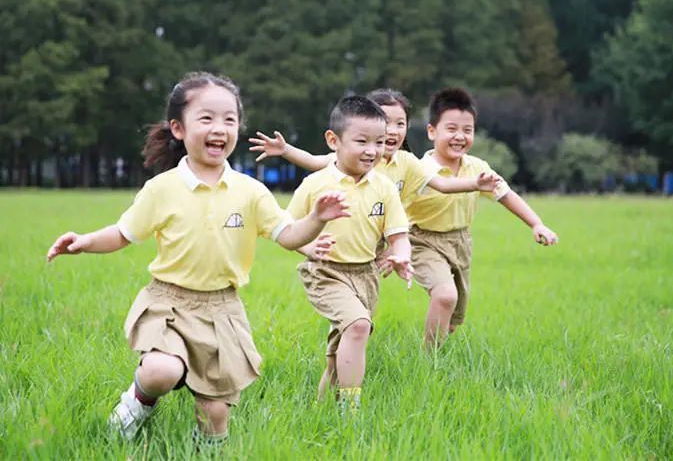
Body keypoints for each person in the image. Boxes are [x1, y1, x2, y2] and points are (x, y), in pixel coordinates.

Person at [46, 72, 350, 446]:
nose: (219, 128)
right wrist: (84, 241)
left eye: (229, 119)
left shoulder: (251, 191)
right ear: (178, 128)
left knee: (215, 416)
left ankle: (201, 451)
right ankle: (136, 404)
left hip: (222, 309)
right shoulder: (162, 189)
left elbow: (289, 236)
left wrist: (316, 219)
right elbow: (123, 233)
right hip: (169, 301)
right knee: (160, 370)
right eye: (206, 118)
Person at [286, 95, 412, 412]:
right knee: (357, 326)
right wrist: (308, 246)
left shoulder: (383, 187)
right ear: (334, 140)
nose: (372, 150)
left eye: (380, 142)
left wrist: (401, 255)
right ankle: (350, 412)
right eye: (362, 141)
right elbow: (286, 230)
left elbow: (398, 233)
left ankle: (321, 404)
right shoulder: (315, 184)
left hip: (365, 275)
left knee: (342, 346)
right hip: (325, 271)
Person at [408, 88, 558, 348]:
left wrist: (537, 223)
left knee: (453, 319)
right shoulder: (419, 170)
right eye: (452, 129)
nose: (460, 136)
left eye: (467, 130)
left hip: (461, 242)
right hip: (423, 241)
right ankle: (427, 361)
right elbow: (394, 205)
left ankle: (438, 349)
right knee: (445, 296)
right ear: (432, 131)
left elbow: (506, 195)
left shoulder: (478, 167)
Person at [248, 88, 502, 204]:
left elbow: (444, 185)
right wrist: (285, 150)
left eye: (399, 123)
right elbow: (315, 161)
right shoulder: (352, 158)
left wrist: (475, 184)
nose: (392, 131)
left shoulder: (407, 162)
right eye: (385, 123)